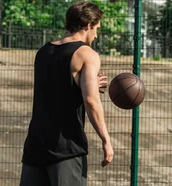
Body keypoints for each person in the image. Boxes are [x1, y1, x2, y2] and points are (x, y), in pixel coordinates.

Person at [20, 1, 113, 186]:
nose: (96, 35)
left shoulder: (44, 51)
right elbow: (91, 101)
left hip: (35, 146)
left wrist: (89, 84)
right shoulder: (86, 54)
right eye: (96, 29)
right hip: (65, 149)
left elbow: (57, 87)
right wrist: (106, 139)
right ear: (88, 25)